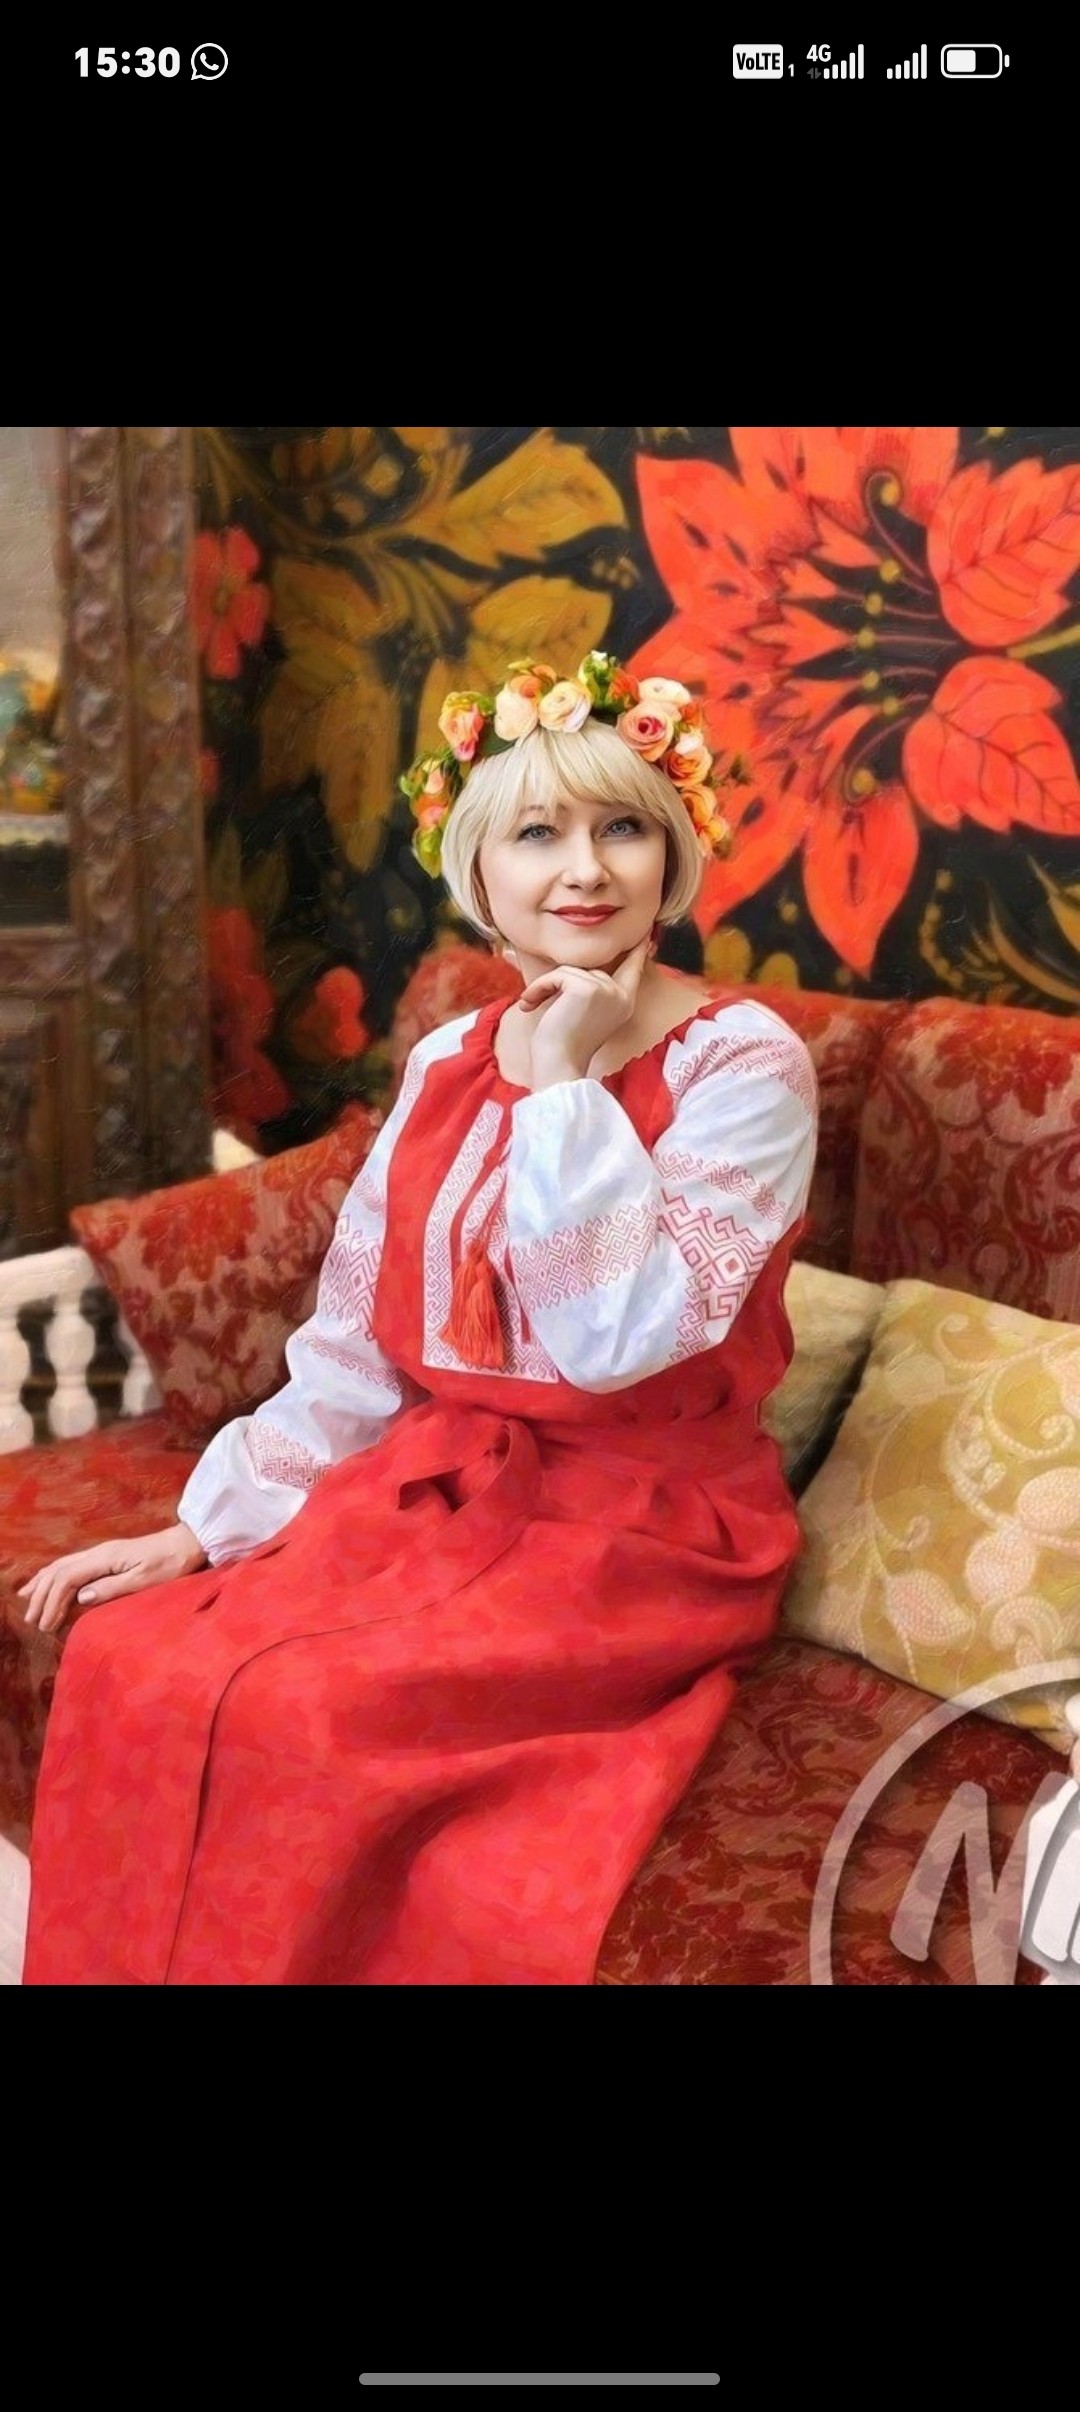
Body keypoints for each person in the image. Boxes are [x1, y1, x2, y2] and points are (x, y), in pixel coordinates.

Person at [18, 649, 820, 1987]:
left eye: (624, 828)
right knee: (134, 1659)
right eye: (538, 832)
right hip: (447, 1484)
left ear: (673, 853)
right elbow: (358, 1343)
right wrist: (211, 1524)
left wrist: (563, 1086)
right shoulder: (451, 1057)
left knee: (306, 1712)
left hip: (651, 1533)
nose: (585, 870)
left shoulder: (743, 1063)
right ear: (479, 868)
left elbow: (616, 1339)